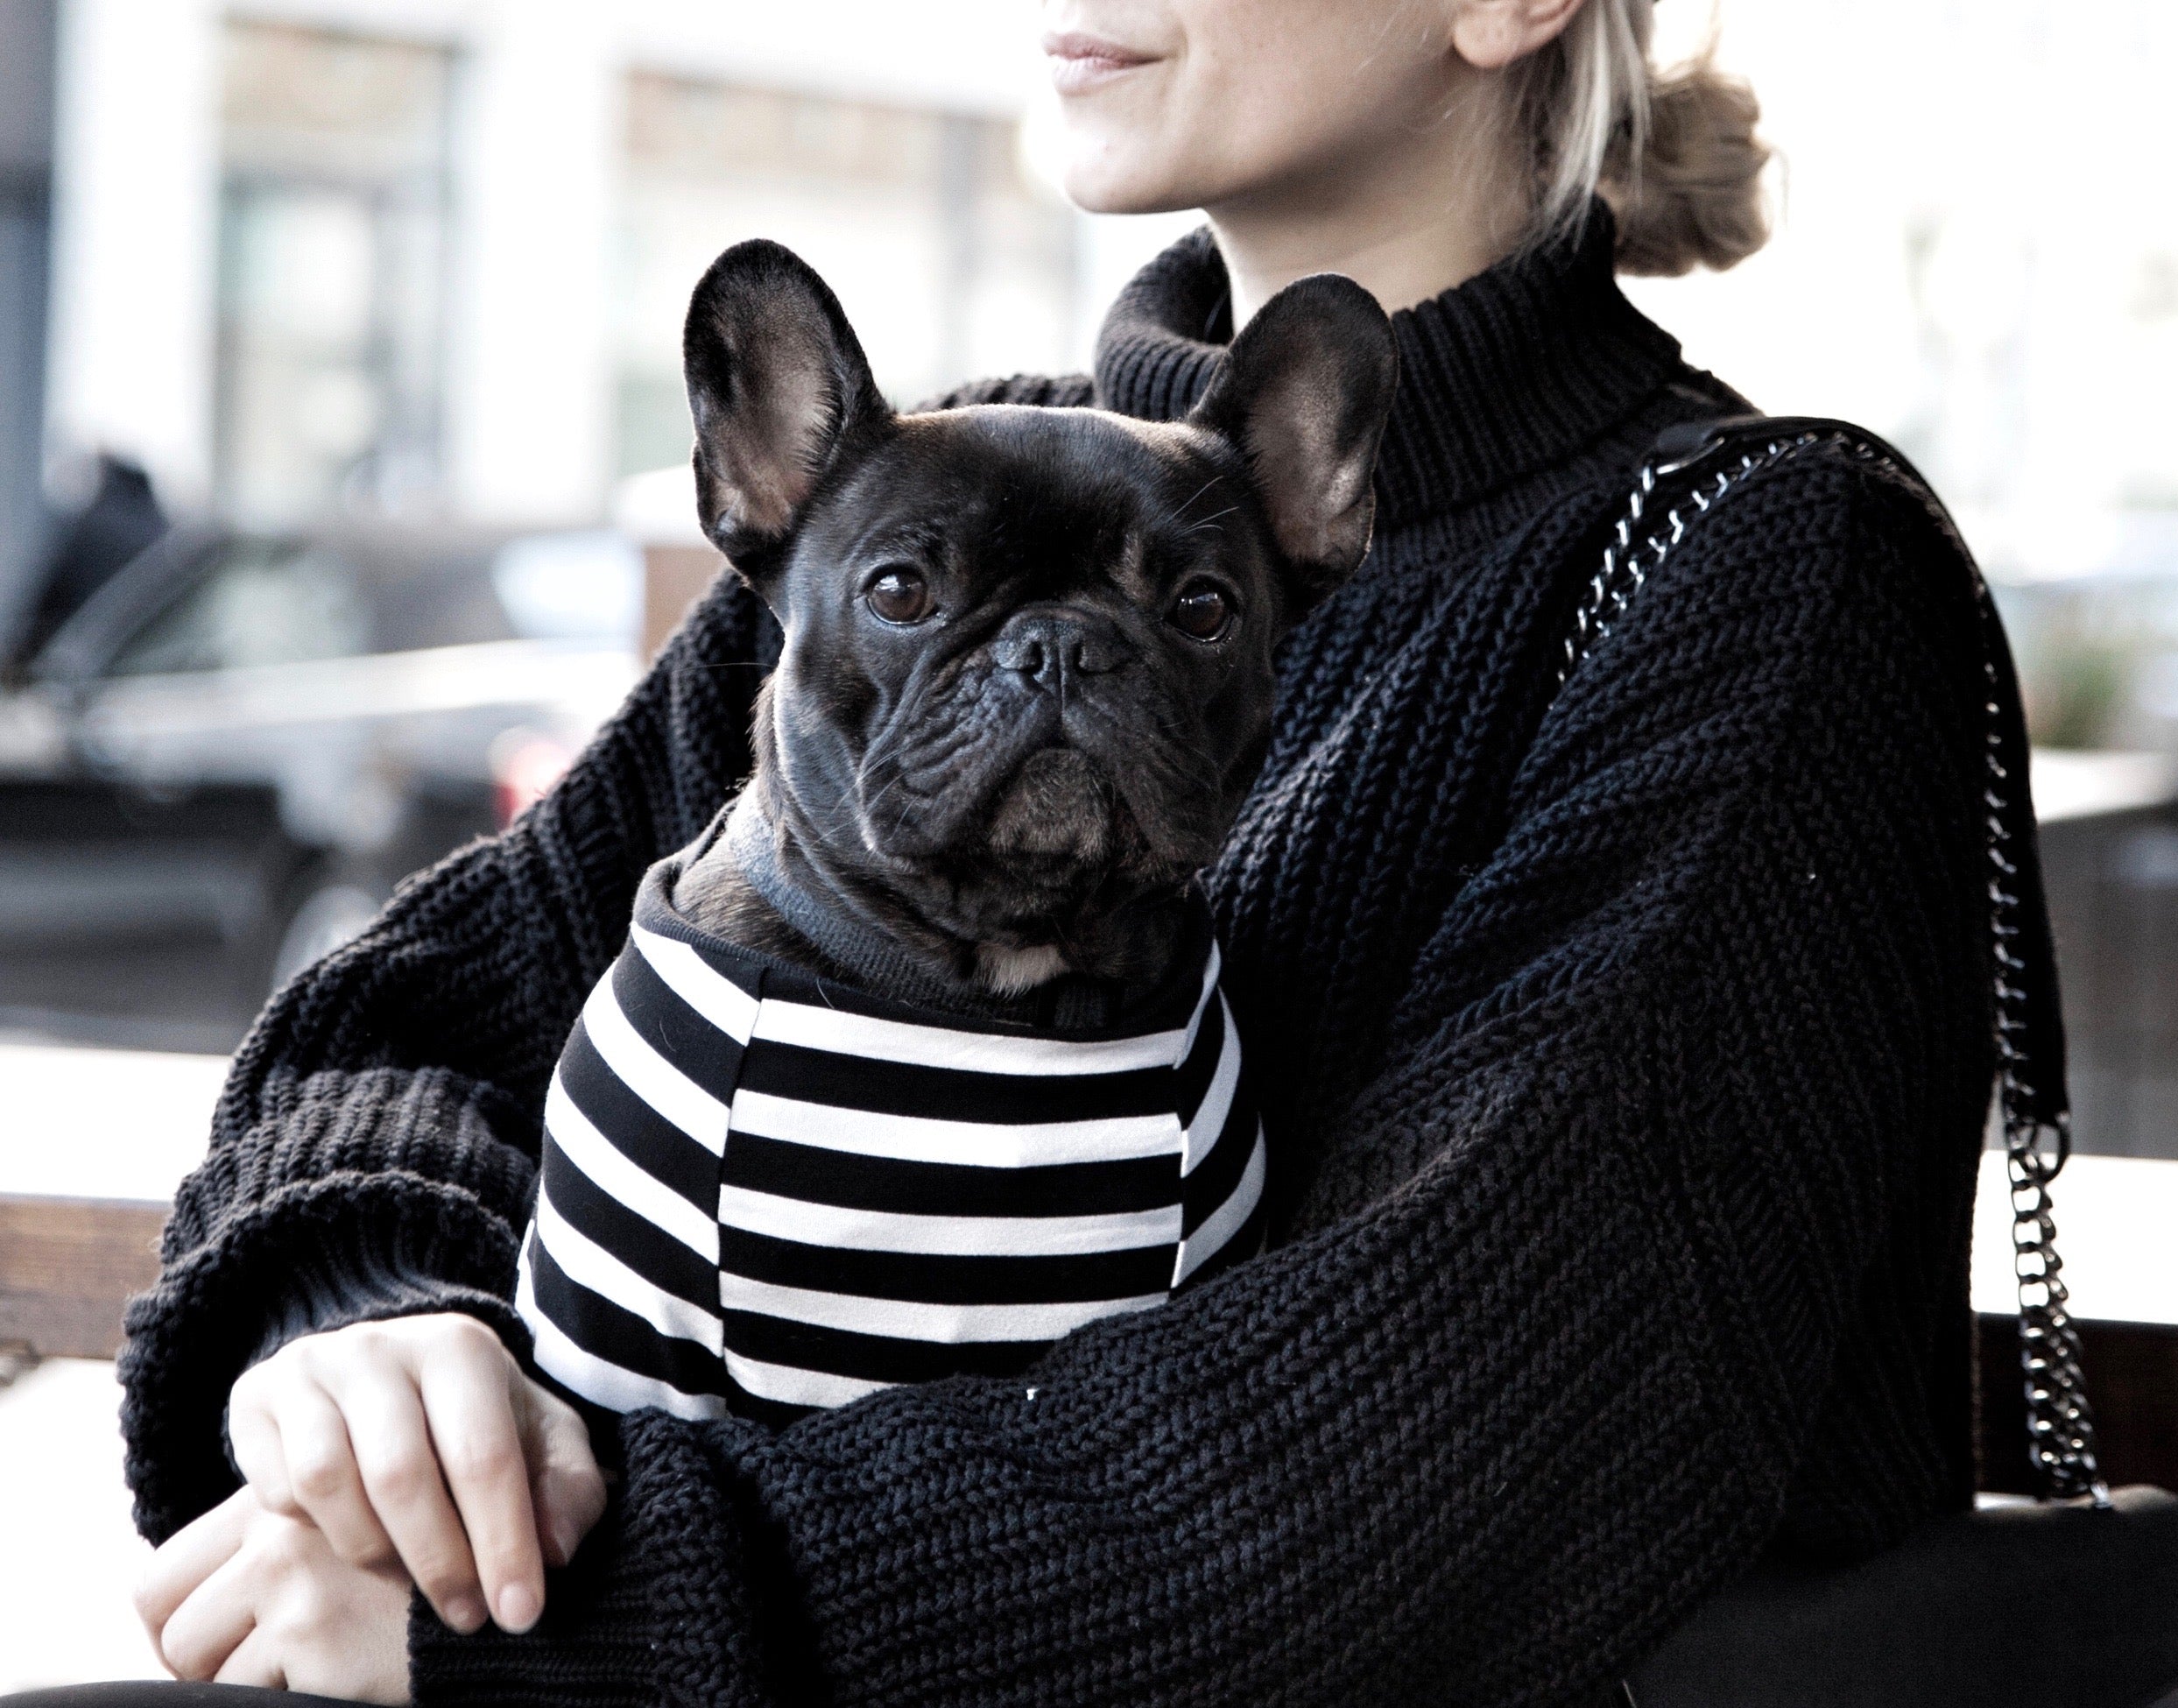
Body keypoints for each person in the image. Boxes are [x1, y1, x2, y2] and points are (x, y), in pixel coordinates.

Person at [110, 0, 2029, 1701]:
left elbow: (1415, 1471)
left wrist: (575, 1614)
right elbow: (416, 1017)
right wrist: (368, 1331)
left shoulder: (1761, 583)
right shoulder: (958, 487)